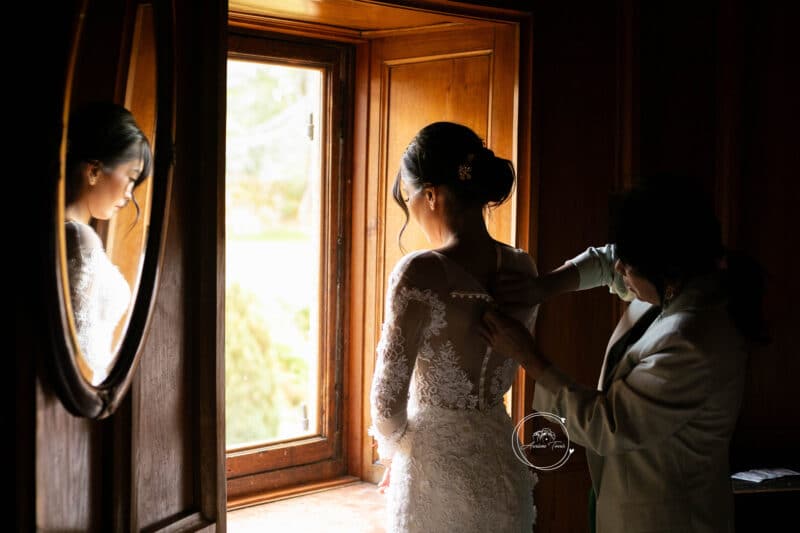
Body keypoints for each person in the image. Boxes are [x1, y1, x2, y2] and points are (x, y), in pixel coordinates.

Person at [481, 177, 767, 533]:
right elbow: (608, 260)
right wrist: (543, 286)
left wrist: (528, 357)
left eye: (630, 266)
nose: (619, 270)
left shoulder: (694, 342)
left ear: (666, 269)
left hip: (669, 520)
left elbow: (608, 426)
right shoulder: (683, 281)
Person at [368, 122, 539, 532]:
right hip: (502, 469)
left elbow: (386, 404)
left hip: (433, 478)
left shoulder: (419, 272)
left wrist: (397, 454)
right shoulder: (522, 266)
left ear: (430, 194)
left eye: (408, 197)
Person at [64, 102, 153, 386]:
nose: (129, 195)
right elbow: (82, 349)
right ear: (93, 171)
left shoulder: (71, 233)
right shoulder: (79, 238)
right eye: (130, 179)